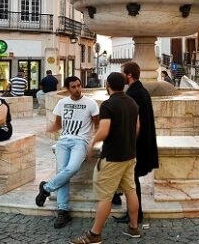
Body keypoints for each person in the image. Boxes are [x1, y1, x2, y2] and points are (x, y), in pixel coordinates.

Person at [69, 72, 141, 244]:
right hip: (130, 155)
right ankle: (133, 227)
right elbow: (137, 127)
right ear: (123, 84)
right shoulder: (132, 102)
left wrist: (91, 142)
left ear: (108, 85)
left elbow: (104, 130)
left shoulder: (108, 105)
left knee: (105, 196)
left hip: (112, 157)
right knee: (131, 191)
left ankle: (95, 234)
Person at [35, 76, 100, 229]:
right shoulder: (62, 103)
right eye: (73, 87)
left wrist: (93, 142)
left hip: (81, 141)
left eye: (79, 85)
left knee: (72, 168)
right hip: (63, 141)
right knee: (63, 171)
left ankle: (46, 188)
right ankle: (63, 210)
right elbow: (57, 125)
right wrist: (41, 131)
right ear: (67, 89)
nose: (77, 89)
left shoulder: (90, 104)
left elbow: (98, 125)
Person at [112, 62, 158, 226]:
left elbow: (133, 123)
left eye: (122, 72)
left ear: (129, 74)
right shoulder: (140, 90)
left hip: (136, 145)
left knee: (132, 183)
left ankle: (135, 215)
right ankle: (133, 212)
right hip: (142, 143)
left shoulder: (133, 93)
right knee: (132, 181)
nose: (121, 75)